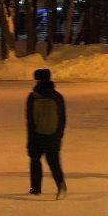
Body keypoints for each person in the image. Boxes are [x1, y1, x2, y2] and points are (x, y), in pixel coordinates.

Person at [24, 67, 67, 199]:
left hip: (37, 136)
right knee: (54, 163)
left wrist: (30, 139)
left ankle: (36, 188)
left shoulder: (33, 97)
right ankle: (61, 185)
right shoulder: (57, 96)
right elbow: (62, 118)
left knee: (35, 161)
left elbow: (30, 119)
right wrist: (59, 135)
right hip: (53, 136)